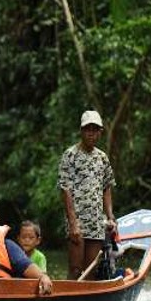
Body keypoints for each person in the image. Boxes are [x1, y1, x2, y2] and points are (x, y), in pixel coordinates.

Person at [58, 110, 116, 279]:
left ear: (100, 132)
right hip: (78, 222)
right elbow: (65, 189)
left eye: (95, 129)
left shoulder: (102, 158)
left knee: (91, 271)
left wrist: (110, 216)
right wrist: (73, 223)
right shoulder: (70, 155)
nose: (92, 133)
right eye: (88, 129)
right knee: (76, 269)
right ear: (81, 131)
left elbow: (107, 187)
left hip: (97, 222)